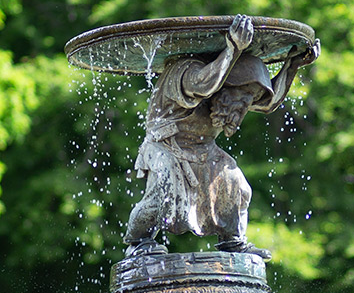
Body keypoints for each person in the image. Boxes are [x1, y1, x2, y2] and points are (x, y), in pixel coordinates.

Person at [124, 14, 320, 259]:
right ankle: (138, 240)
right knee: (163, 188)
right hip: (166, 146)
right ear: (228, 82)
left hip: (205, 150)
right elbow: (204, 85)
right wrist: (233, 48)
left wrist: (293, 64)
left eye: (250, 98)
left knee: (236, 185)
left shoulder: (233, 92)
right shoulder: (184, 72)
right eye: (244, 94)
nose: (246, 104)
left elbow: (268, 104)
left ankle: (233, 241)